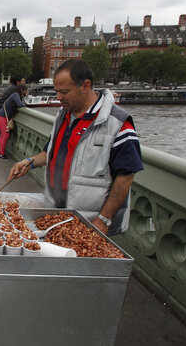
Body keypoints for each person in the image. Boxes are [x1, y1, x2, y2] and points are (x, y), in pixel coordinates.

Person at [9, 59, 143, 236]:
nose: (58, 97)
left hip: (90, 224)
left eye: (64, 92)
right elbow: (51, 152)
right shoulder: (63, 115)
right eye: (56, 91)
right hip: (56, 216)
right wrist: (29, 162)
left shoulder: (117, 123)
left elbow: (125, 177)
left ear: (86, 86)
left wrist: (103, 219)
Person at [0, 73, 25, 154]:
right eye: (23, 81)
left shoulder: (12, 87)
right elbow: (19, 103)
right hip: (0, 111)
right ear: (18, 82)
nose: (24, 83)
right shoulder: (15, 90)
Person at [0, 83, 28, 160]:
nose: (26, 92)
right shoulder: (16, 95)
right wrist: (25, 104)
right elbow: (20, 104)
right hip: (2, 117)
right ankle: (2, 155)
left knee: (3, 135)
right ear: (21, 90)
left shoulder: (15, 95)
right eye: (26, 90)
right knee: (6, 135)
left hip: (1, 116)